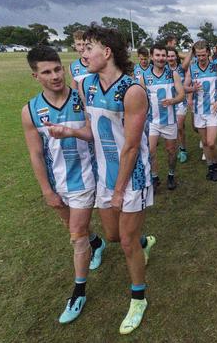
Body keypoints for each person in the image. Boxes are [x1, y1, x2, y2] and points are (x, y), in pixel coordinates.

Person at [46, 24, 157, 334]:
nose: (84, 52)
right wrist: (70, 132)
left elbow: (132, 147)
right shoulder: (88, 85)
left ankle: (138, 298)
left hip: (130, 177)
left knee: (126, 243)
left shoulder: (133, 90)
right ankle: (144, 241)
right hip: (102, 175)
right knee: (111, 236)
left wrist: (120, 190)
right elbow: (94, 131)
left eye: (89, 48)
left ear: (107, 52)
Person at [20, 45, 105, 324]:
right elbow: (35, 153)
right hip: (59, 183)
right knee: (76, 229)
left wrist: (72, 132)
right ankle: (101, 242)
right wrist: (46, 190)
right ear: (35, 76)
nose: (55, 76)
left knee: (76, 236)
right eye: (46, 72)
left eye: (57, 69)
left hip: (89, 177)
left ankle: (78, 292)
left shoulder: (82, 97)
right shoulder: (31, 111)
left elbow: (98, 135)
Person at [183, 40, 217, 181]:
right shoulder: (192, 69)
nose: (201, 58)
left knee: (211, 142)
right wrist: (192, 89)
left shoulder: (216, 67)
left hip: (212, 110)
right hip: (198, 111)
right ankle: (210, 166)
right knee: (204, 143)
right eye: (198, 55)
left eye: (203, 55)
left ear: (209, 53)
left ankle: (216, 165)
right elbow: (184, 87)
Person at [140, 44, 185, 191]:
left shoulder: (173, 74)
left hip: (170, 121)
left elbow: (181, 94)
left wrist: (172, 101)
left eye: (163, 55)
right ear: (152, 57)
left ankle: (171, 175)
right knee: (151, 150)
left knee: (171, 151)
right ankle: (154, 177)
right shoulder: (144, 77)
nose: (160, 58)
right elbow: (141, 100)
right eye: (157, 55)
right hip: (152, 121)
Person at [167, 47, 190, 163]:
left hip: (181, 102)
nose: (170, 58)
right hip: (169, 103)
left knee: (179, 126)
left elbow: (189, 59)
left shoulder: (182, 68)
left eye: (172, 56)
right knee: (173, 128)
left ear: (176, 56)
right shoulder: (163, 69)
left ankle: (183, 149)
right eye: (168, 56)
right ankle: (175, 148)